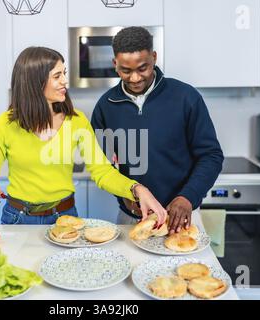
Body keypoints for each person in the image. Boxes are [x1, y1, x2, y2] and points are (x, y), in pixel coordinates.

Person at [0, 46, 167, 225]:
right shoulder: (4, 124)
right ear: (34, 82)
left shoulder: (76, 120)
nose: (65, 81)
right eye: (57, 76)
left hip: (64, 218)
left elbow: (102, 171)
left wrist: (137, 189)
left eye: (64, 73)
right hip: (17, 218)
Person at [91, 27, 224, 234]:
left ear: (154, 58)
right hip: (131, 220)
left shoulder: (186, 97)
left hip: (182, 217)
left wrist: (187, 197)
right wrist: (124, 197)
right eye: (126, 70)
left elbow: (211, 156)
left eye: (142, 68)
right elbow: (103, 166)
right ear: (115, 64)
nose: (135, 78)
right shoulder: (106, 106)